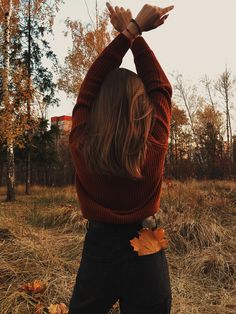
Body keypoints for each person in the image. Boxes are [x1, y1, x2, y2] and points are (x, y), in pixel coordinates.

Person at [68, 2, 174, 314]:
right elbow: (161, 88)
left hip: (99, 244)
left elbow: (89, 86)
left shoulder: (81, 144)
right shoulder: (154, 145)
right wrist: (135, 35)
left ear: (97, 107)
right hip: (147, 240)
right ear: (143, 110)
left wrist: (130, 31)